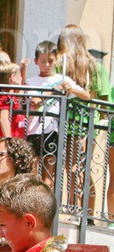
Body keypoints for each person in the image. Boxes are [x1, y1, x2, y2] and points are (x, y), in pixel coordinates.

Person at [56, 24, 109, 213]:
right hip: (66, 122)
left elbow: (103, 102)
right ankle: (77, 210)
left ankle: (84, 213)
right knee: (71, 169)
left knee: (78, 168)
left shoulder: (95, 68)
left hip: (86, 124)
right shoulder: (60, 65)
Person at [26, 41, 88, 186]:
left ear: (56, 60)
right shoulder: (30, 82)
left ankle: (47, 199)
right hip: (33, 130)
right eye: (43, 61)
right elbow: (34, 101)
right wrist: (53, 91)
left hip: (52, 130)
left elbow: (86, 96)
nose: (47, 65)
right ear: (36, 61)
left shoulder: (62, 79)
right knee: (32, 171)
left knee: (49, 173)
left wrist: (71, 89)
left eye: (51, 61)